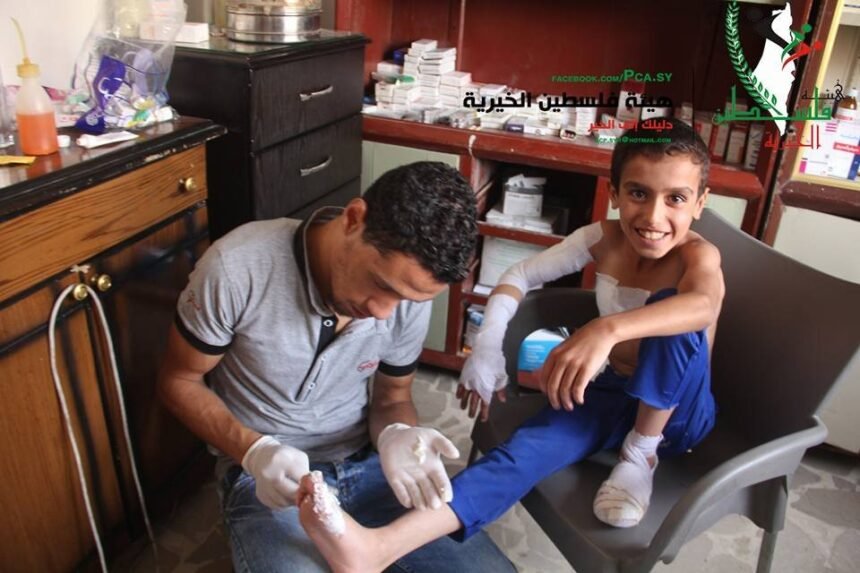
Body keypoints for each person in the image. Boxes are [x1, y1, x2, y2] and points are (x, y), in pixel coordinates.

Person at [295, 120, 725, 573]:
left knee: (672, 311)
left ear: (700, 202)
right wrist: (487, 346)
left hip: (679, 417)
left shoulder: (699, 256)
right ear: (614, 193)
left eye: (676, 199)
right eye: (638, 193)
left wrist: (606, 329)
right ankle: (376, 548)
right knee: (522, 451)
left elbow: (702, 305)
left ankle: (641, 452)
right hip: (611, 394)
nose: (654, 217)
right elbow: (519, 275)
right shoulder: (603, 238)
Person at [157, 161, 516, 573]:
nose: (383, 313)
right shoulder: (238, 267)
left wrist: (398, 435)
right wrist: (253, 451)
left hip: (368, 465)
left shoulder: (408, 294)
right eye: (381, 285)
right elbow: (178, 380)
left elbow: (393, 397)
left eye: (406, 300)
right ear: (354, 219)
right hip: (270, 480)